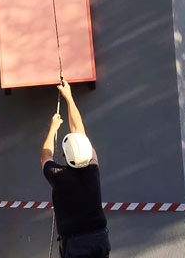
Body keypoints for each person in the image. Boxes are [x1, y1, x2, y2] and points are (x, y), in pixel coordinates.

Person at [42, 80, 111, 258]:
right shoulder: (92, 165)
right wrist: (69, 97)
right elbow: (78, 129)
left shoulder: (59, 176)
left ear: (66, 155)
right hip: (99, 239)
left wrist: (53, 128)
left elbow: (45, 156)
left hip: (75, 244)